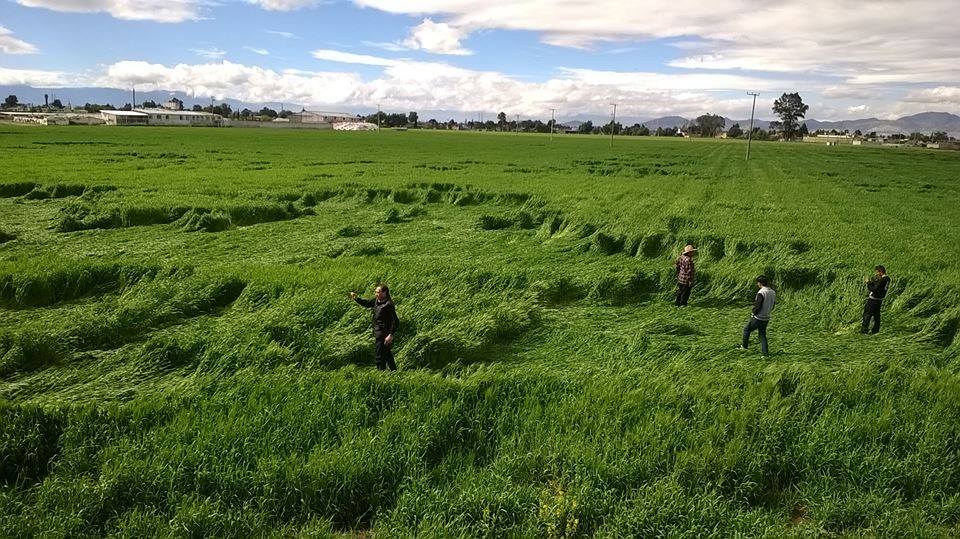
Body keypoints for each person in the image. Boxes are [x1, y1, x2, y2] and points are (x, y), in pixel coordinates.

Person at [350, 284, 398, 370]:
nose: (376, 294)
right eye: (375, 292)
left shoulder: (389, 304)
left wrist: (390, 335)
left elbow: (395, 321)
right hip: (378, 332)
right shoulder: (376, 301)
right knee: (387, 354)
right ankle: (395, 372)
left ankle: (381, 376)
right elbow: (367, 303)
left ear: (385, 293)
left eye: (378, 292)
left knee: (380, 356)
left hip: (384, 334)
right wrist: (356, 298)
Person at [739, 275, 776, 356]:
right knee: (762, 335)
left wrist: (753, 313)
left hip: (758, 317)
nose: (757, 284)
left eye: (758, 283)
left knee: (746, 329)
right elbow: (773, 305)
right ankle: (765, 353)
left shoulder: (761, 292)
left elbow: (758, 306)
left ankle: (744, 347)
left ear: (760, 283)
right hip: (766, 317)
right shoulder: (773, 292)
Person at [861, 265, 890, 334]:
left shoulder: (882, 280)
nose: (876, 274)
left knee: (867, 314)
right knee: (877, 316)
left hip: (873, 300)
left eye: (877, 272)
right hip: (879, 300)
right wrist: (873, 282)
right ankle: (875, 331)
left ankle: (864, 331)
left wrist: (868, 282)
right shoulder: (887, 279)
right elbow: (878, 286)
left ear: (880, 272)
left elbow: (873, 289)